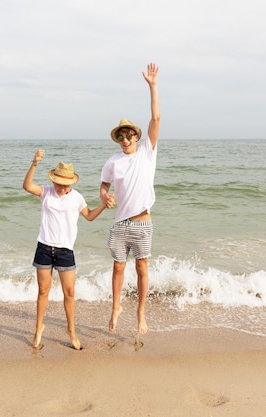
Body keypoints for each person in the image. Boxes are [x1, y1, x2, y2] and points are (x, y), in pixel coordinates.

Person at [23, 149, 111, 350]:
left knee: (69, 293)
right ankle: (38, 329)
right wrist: (34, 163)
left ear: (70, 183)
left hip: (65, 252)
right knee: (43, 291)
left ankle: (71, 330)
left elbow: (88, 216)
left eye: (64, 185)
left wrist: (104, 206)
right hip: (44, 247)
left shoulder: (77, 198)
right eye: (58, 184)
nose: (60, 188)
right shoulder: (46, 192)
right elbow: (27, 186)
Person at [100, 62, 160, 336]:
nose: (125, 139)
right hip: (121, 224)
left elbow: (156, 119)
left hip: (143, 222)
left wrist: (152, 86)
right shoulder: (113, 162)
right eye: (121, 137)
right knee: (118, 269)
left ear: (136, 136)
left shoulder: (147, 151)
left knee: (142, 269)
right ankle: (116, 308)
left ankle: (140, 313)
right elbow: (103, 186)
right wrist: (105, 196)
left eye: (129, 135)